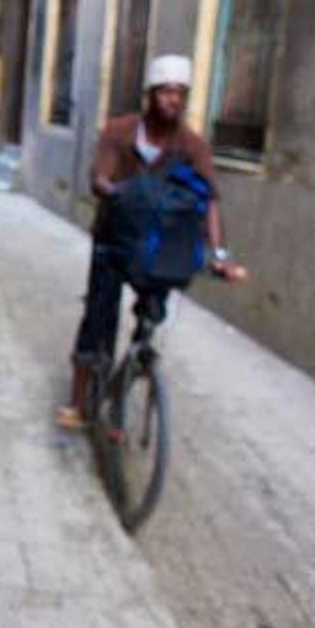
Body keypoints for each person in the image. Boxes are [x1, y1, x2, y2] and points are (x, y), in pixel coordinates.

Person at [57, 54, 245, 430]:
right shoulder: (120, 131)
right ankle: (78, 401)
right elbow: (99, 177)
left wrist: (219, 254)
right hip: (113, 239)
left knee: (150, 319)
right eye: (165, 91)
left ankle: (130, 379)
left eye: (180, 93)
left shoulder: (191, 146)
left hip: (157, 247)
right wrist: (121, 192)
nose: (173, 100)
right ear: (150, 95)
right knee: (97, 318)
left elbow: (209, 199)